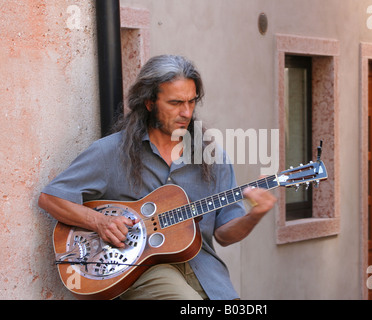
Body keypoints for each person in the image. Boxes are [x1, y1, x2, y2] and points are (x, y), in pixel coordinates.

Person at [38, 54, 276, 300]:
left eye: (191, 102)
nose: (186, 112)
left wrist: (255, 215)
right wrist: (100, 222)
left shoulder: (213, 159)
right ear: (149, 102)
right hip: (142, 269)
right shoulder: (110, 152)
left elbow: (225, 235)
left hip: (205, 271)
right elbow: (51, 198)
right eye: (175, 103)